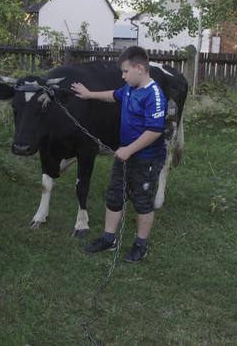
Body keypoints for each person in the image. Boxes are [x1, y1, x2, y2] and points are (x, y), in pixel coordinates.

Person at [70, 46, 167, 263]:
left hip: (147, 159)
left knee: (142, 202)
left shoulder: (154, 95)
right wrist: (89, 94)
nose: (122, 76)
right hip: (125, 156)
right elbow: (113, 96)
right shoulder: (130, 88)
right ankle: (108, 239)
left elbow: (154, 131)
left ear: (139, 68)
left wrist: (128, 150)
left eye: (125, 71)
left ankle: (140, 245)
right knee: (114, 196)